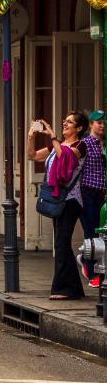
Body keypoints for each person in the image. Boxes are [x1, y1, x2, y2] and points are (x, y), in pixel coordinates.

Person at [27, 113, 88, 300]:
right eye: (65, 121)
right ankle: (73, 289)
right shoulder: (56, 145)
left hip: (71, 201)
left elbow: (65, 159)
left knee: (62, 243)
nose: (65, 123)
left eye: (70, 122)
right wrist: (31, 137)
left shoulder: (80, 146)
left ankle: (64, 289)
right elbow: (33, 156)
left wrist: (52, 135)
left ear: (78, 128)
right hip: (58, 199)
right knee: (61, 244)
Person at [78, 111, 106, 285]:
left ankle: (96, 265)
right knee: (91, 231)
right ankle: (91, 271)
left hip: (102, 194)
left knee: (102, 233)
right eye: (98, 123)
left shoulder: (104, 144)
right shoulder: (86, 143)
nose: (102, 125)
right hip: (87, 193)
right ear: (90, 125)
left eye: (104, 123)